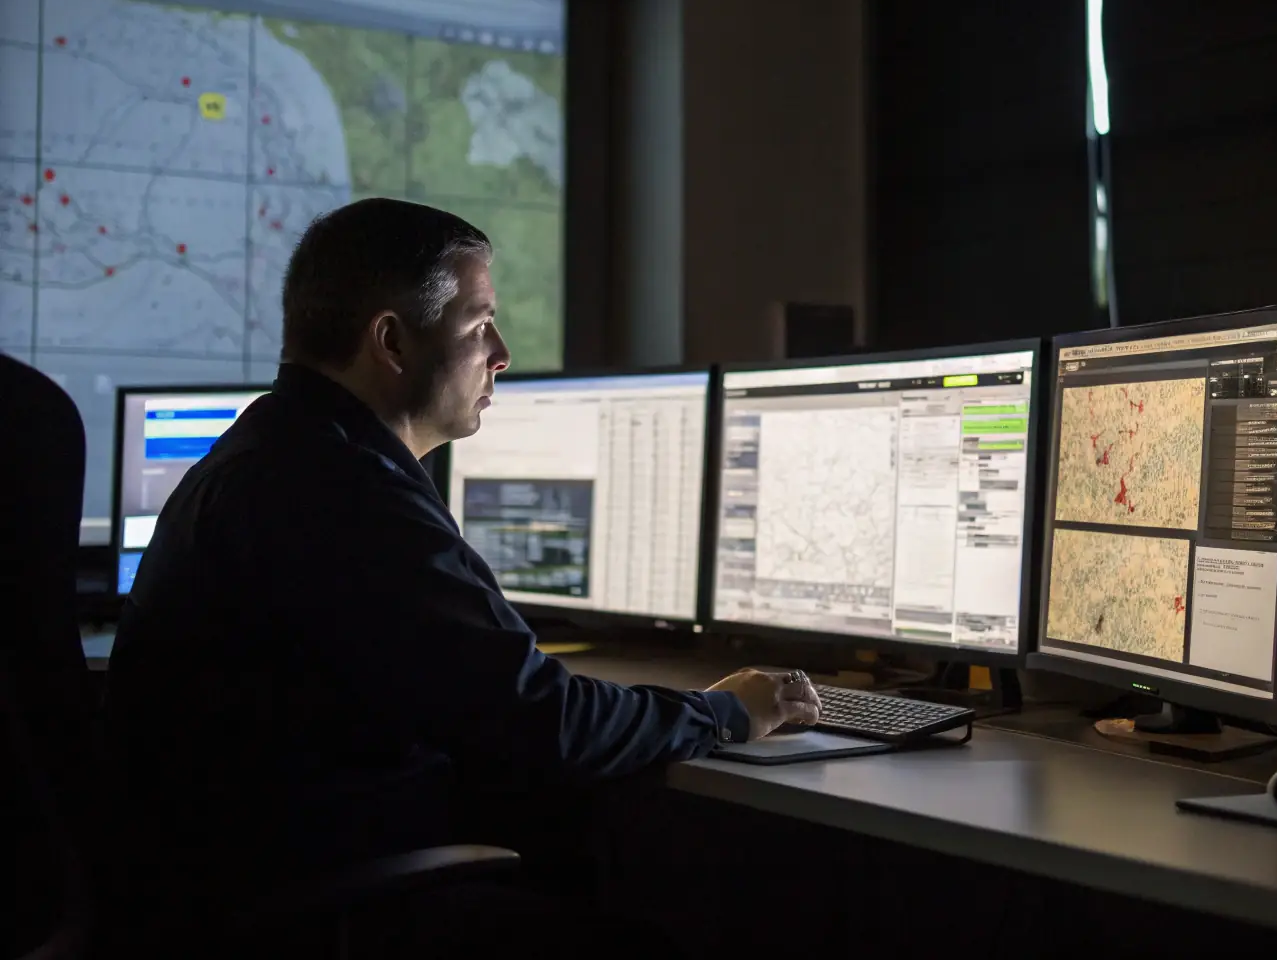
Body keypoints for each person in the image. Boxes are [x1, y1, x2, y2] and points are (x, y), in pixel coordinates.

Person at [101, 198, 820, 952]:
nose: (501, 352)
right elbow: (542, 724)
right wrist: (725, 713)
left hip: (235, 887)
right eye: (479, 326)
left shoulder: (277, 449)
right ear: (391, 342)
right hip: (303, 912)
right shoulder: (342, 491)